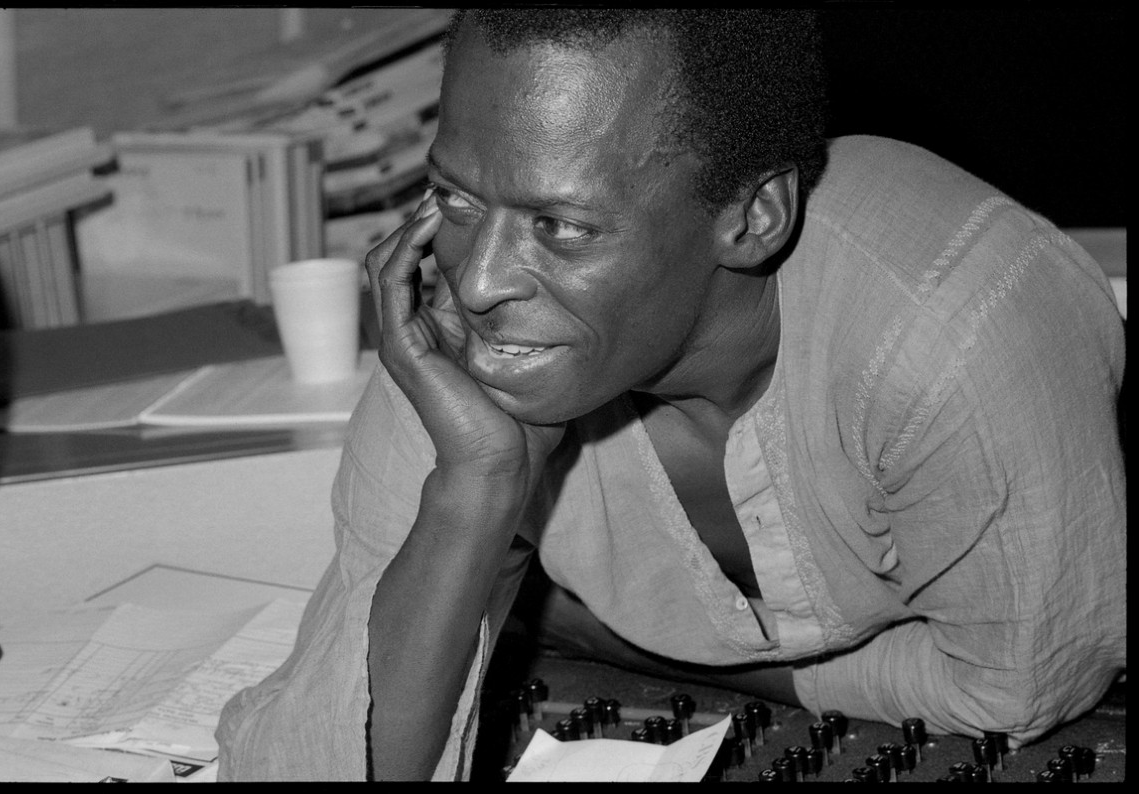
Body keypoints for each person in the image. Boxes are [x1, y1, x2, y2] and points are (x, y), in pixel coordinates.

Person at [216, 9, 1126, 781]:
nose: (480, 279)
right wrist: (476, 487)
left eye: (560, 225)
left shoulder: (949, 334)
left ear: (752, 216)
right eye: (455, 200)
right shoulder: (462, 332)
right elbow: (312, 762)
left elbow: (1016, 687)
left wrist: (609, 642)